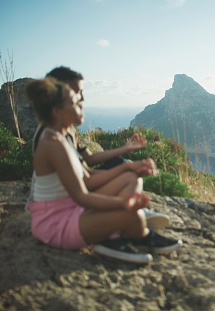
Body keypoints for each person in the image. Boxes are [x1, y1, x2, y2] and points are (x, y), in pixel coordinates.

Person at [25, 77, 182, 264]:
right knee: (131, 214)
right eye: (74, 103)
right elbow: (81, 196)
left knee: (132, 181)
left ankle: (129, 234)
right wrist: (123, 204)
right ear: (57, 111)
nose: (81, 105)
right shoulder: (52, 144)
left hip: (71, 210)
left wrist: (130, 167)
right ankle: (130, 236)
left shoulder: (61, 138)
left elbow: (88, 176)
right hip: (55, 224)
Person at [31, 66, 169, 230]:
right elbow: (85, 181)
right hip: (66, 202)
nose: (81, 97)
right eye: (77, 92)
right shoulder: (52, 139)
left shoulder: (66, 131)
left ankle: (127, 212)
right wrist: (127, 169)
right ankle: (122, 216)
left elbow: (88, 159)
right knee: (126, 170)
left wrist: (125, 149)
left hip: (73, 191)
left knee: (121, 164)